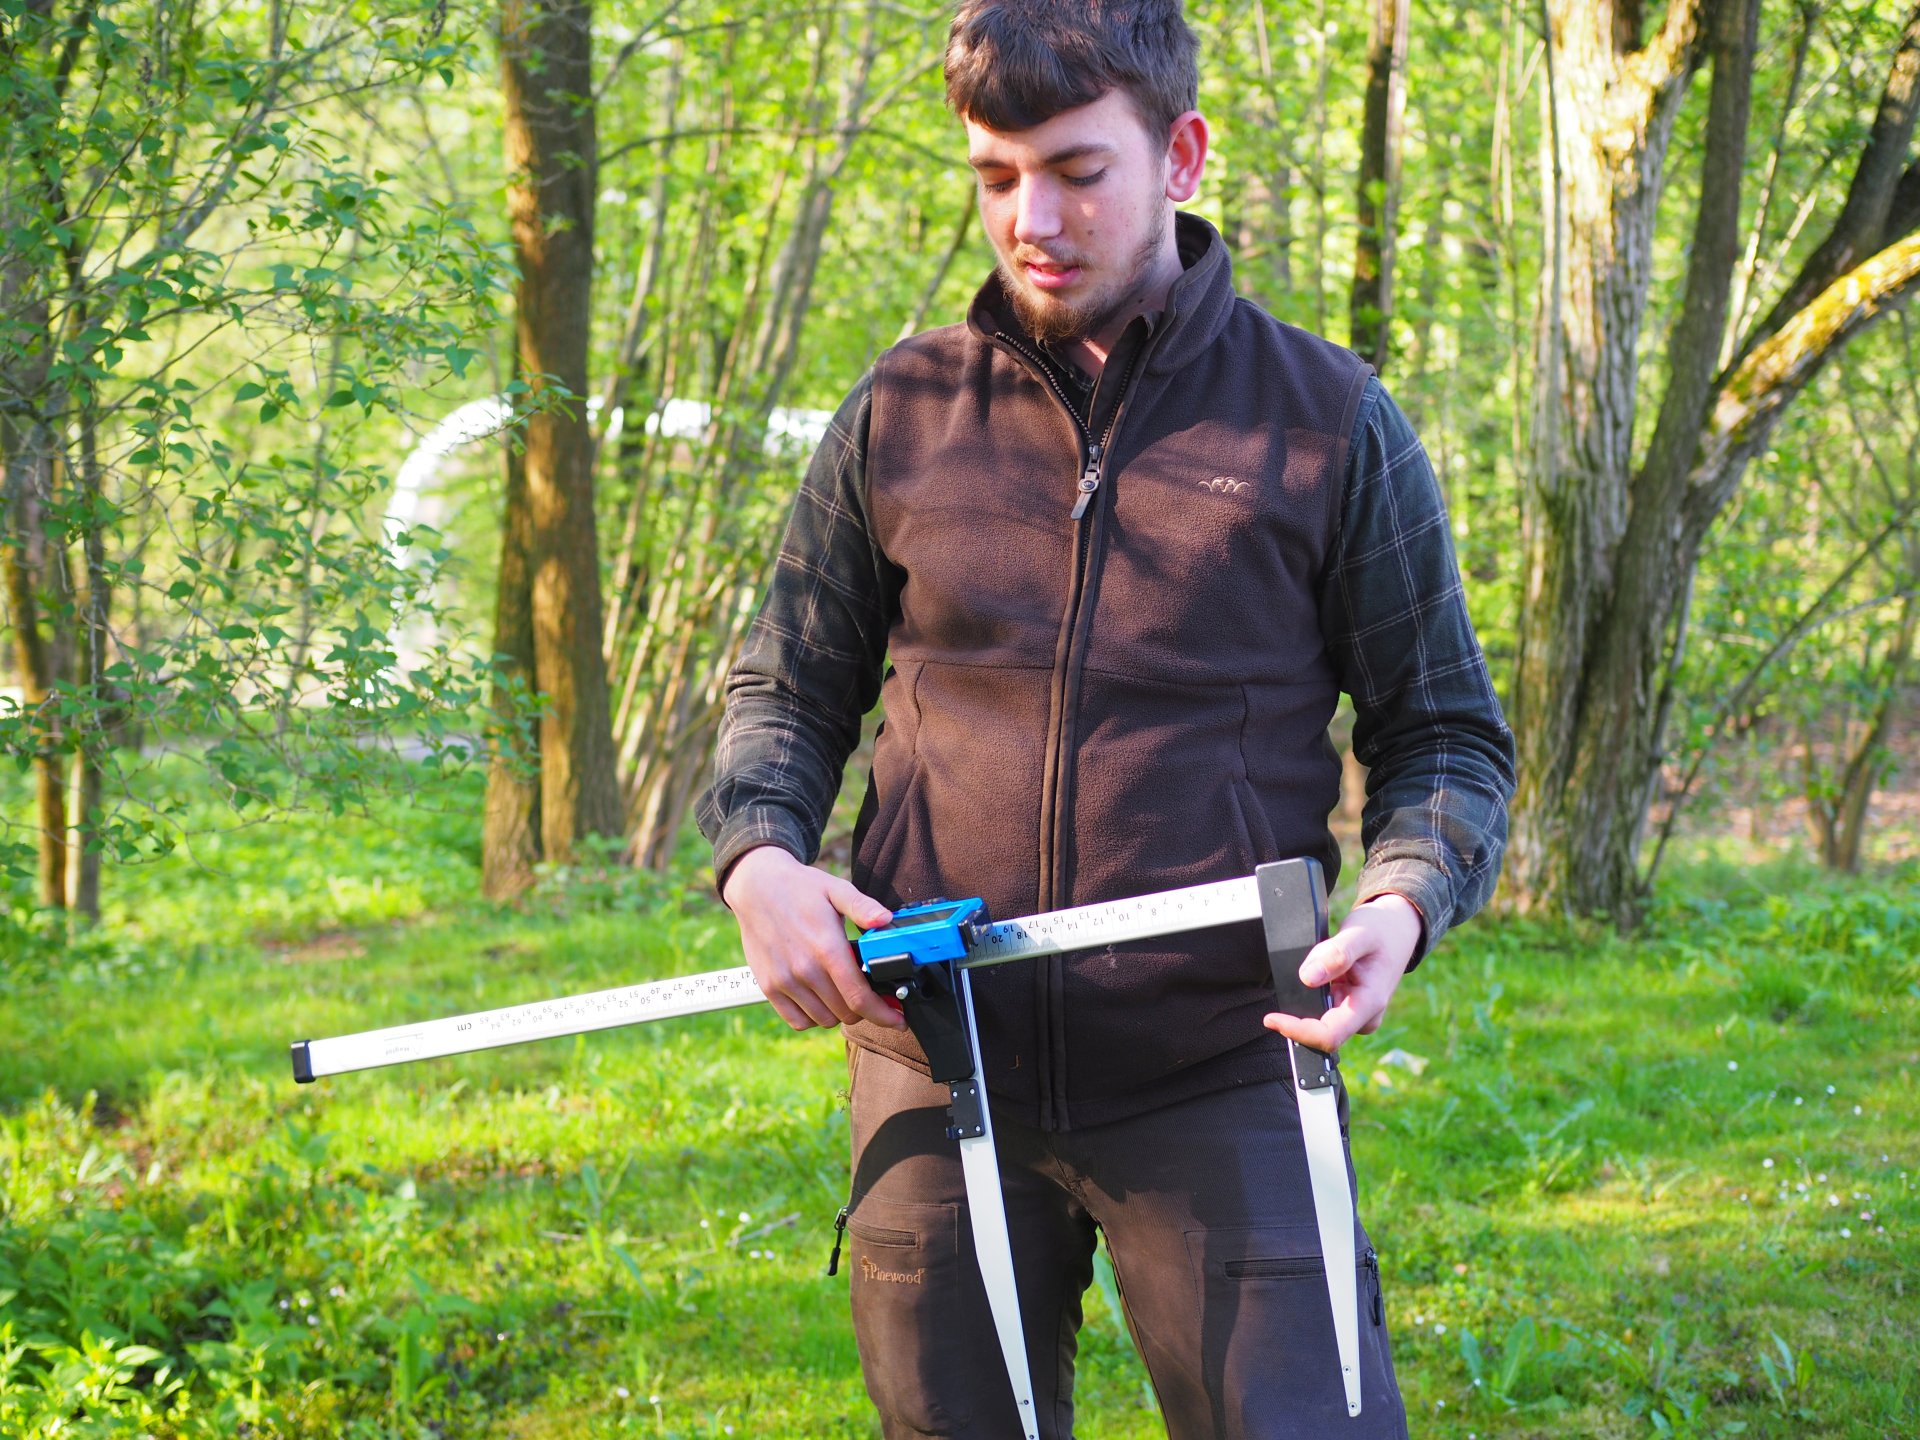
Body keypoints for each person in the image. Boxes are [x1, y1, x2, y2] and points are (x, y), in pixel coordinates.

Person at [697, 3, 1515, 1435]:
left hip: (1223, 1055)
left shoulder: (1326, 421)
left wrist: (1402, 902)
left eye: (1078, 171)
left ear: (1181, 156)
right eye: (996, 177)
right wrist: (759, 858)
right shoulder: (899, 410)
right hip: (935, 1057)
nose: (1033, 220)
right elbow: (786, 687)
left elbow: (1445, 734)